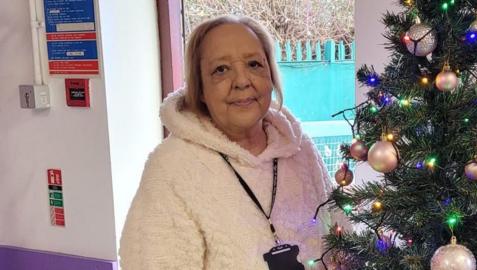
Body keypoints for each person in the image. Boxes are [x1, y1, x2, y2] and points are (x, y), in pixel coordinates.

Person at [119, 15, 341, 270]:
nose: (242, 81)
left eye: (254, 64)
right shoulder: (172, 168)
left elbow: (341, 240)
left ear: (271, 76)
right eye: (221, 70)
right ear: (200, 89)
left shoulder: (301, 150)